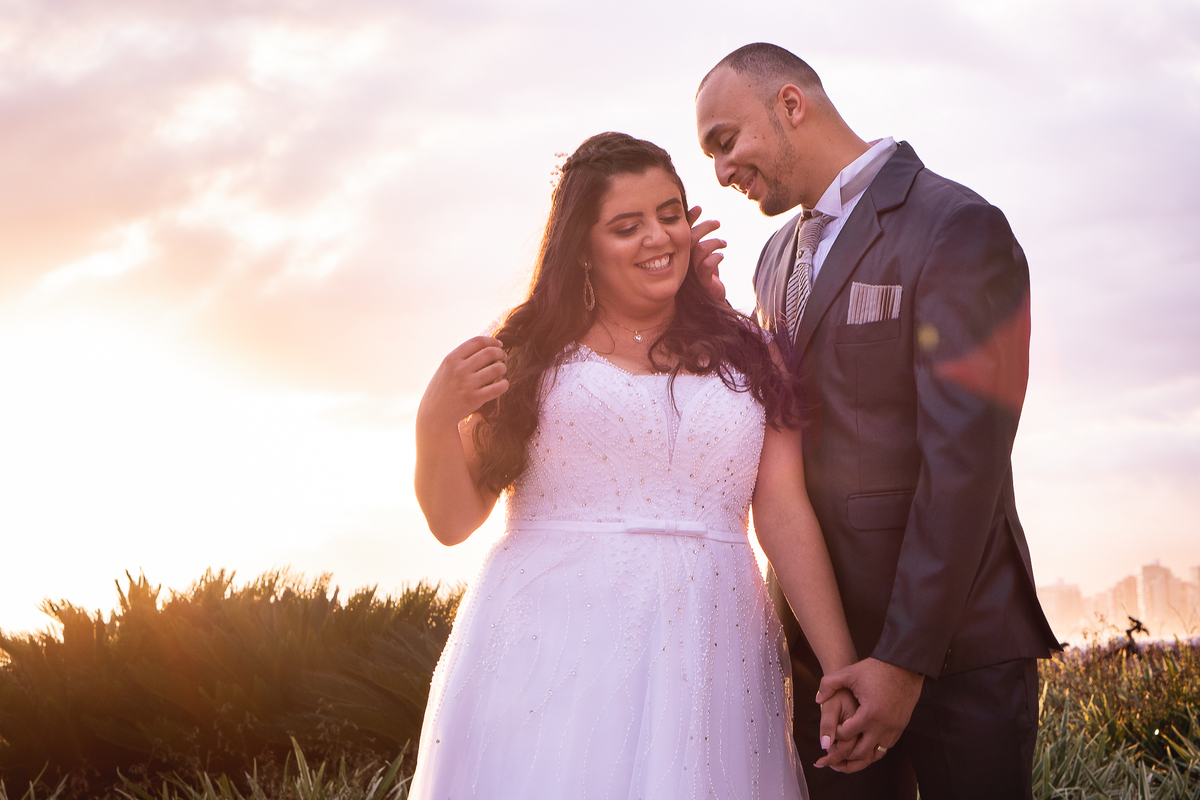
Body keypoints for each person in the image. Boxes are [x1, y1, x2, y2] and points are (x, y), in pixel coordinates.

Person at [408, 132, 862, 799]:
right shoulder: (525, 355)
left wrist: (839, 663)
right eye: (627, 226)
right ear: (583, 250)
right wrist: (433, 422)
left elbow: (785, 512)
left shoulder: (753, 354)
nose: (658, 237)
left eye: (670, 214)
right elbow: (452, 521)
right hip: (550, 661)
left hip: (713, 658)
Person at [692, 44, 1061, 799]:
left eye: (725, 141)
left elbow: (965, 465)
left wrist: (902, 661)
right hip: (824, 668)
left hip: (956, 657)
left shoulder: (956, 226)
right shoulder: (770, 260)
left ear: (791, 105)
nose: (720, 172)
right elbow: (781, 419)